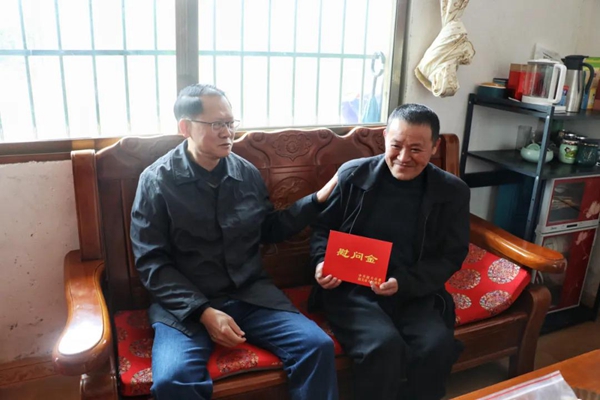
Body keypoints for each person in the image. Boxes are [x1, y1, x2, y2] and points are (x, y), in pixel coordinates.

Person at [130, 83, 339, 400]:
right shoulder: (156, 181)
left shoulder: (246, 173)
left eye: (230, 122)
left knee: (316, 346)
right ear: (185, 127)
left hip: (251, 295)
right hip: (184, 305)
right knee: (174, 380)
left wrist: (317, 199)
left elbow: (267, 229)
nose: (228, 133)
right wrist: (203, 312)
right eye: (217, 124)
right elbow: (152, 263)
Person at [310, 104, 470, 400]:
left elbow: (452, 254)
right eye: (396, 145)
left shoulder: (451, 191)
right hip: (352, 290)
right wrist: (321, 262)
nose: (404, 157)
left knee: (435, 346)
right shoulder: (354, 175)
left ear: (435, 147)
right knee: (382, 346)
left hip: (414, 290)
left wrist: (404, 282)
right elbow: (322, 229)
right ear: (385, 137)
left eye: (416, 149)